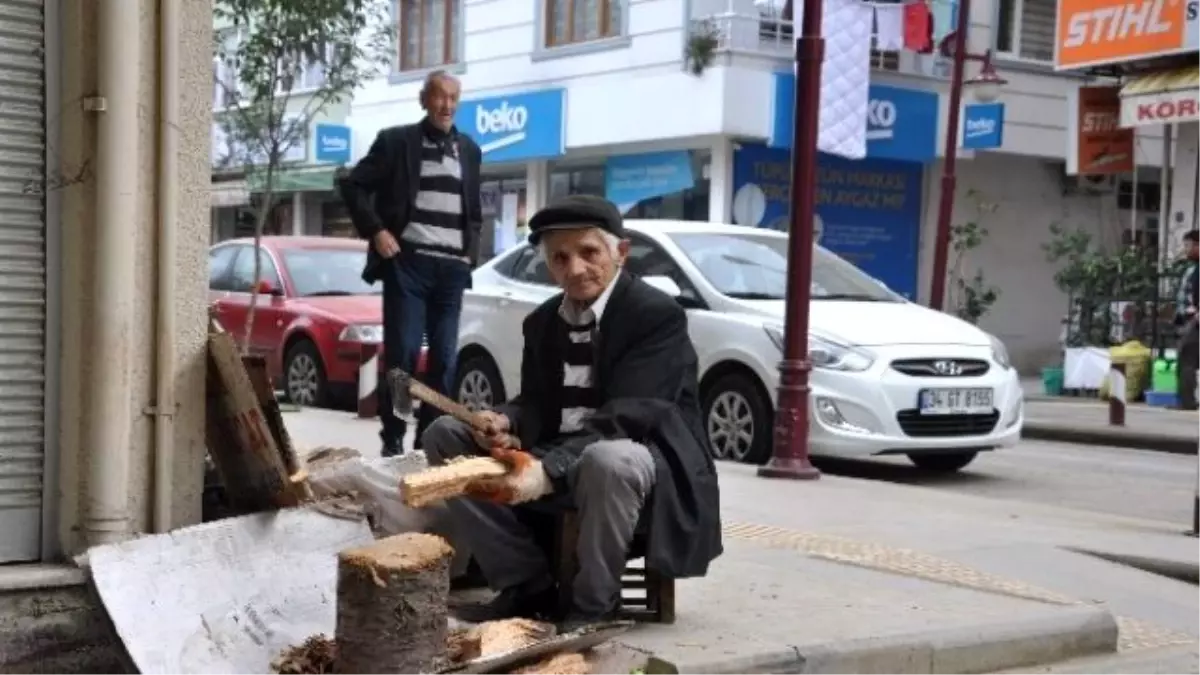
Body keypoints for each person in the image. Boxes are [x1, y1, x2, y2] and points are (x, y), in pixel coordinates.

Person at [421, 194, 723, 629]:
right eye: (560, 258)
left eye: (589, 253)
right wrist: (505, 421)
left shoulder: (656, 316)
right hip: (558, 453)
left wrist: (549, 467)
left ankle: (592, 608)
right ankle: (525, 584)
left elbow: (631, 416)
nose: (575, 269)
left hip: (642, 462)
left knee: (608, 457)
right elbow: (536, 402)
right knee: (446, 434)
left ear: (620, 253)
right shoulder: (542, 323)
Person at [338, 71, 483, 456]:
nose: (447, 105)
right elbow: (352, 184)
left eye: (454, 98)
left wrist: (471, 252)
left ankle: (429, 439)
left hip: (451, 270)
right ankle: (394, 440)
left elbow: (474, 211)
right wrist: (377, 230)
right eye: (439, 96)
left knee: (445, 359)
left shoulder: (469, 149)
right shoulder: (397, 142)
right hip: (410, 265)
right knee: (402, 355)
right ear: (424, 100)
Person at [1176, 229, 1200, 410]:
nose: (1185, 249)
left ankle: (1187, 402)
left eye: (1188, 245)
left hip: (1196, 322)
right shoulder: (1194, 268)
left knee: (1186, 358)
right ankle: (1187, 400)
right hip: (1191, 319)